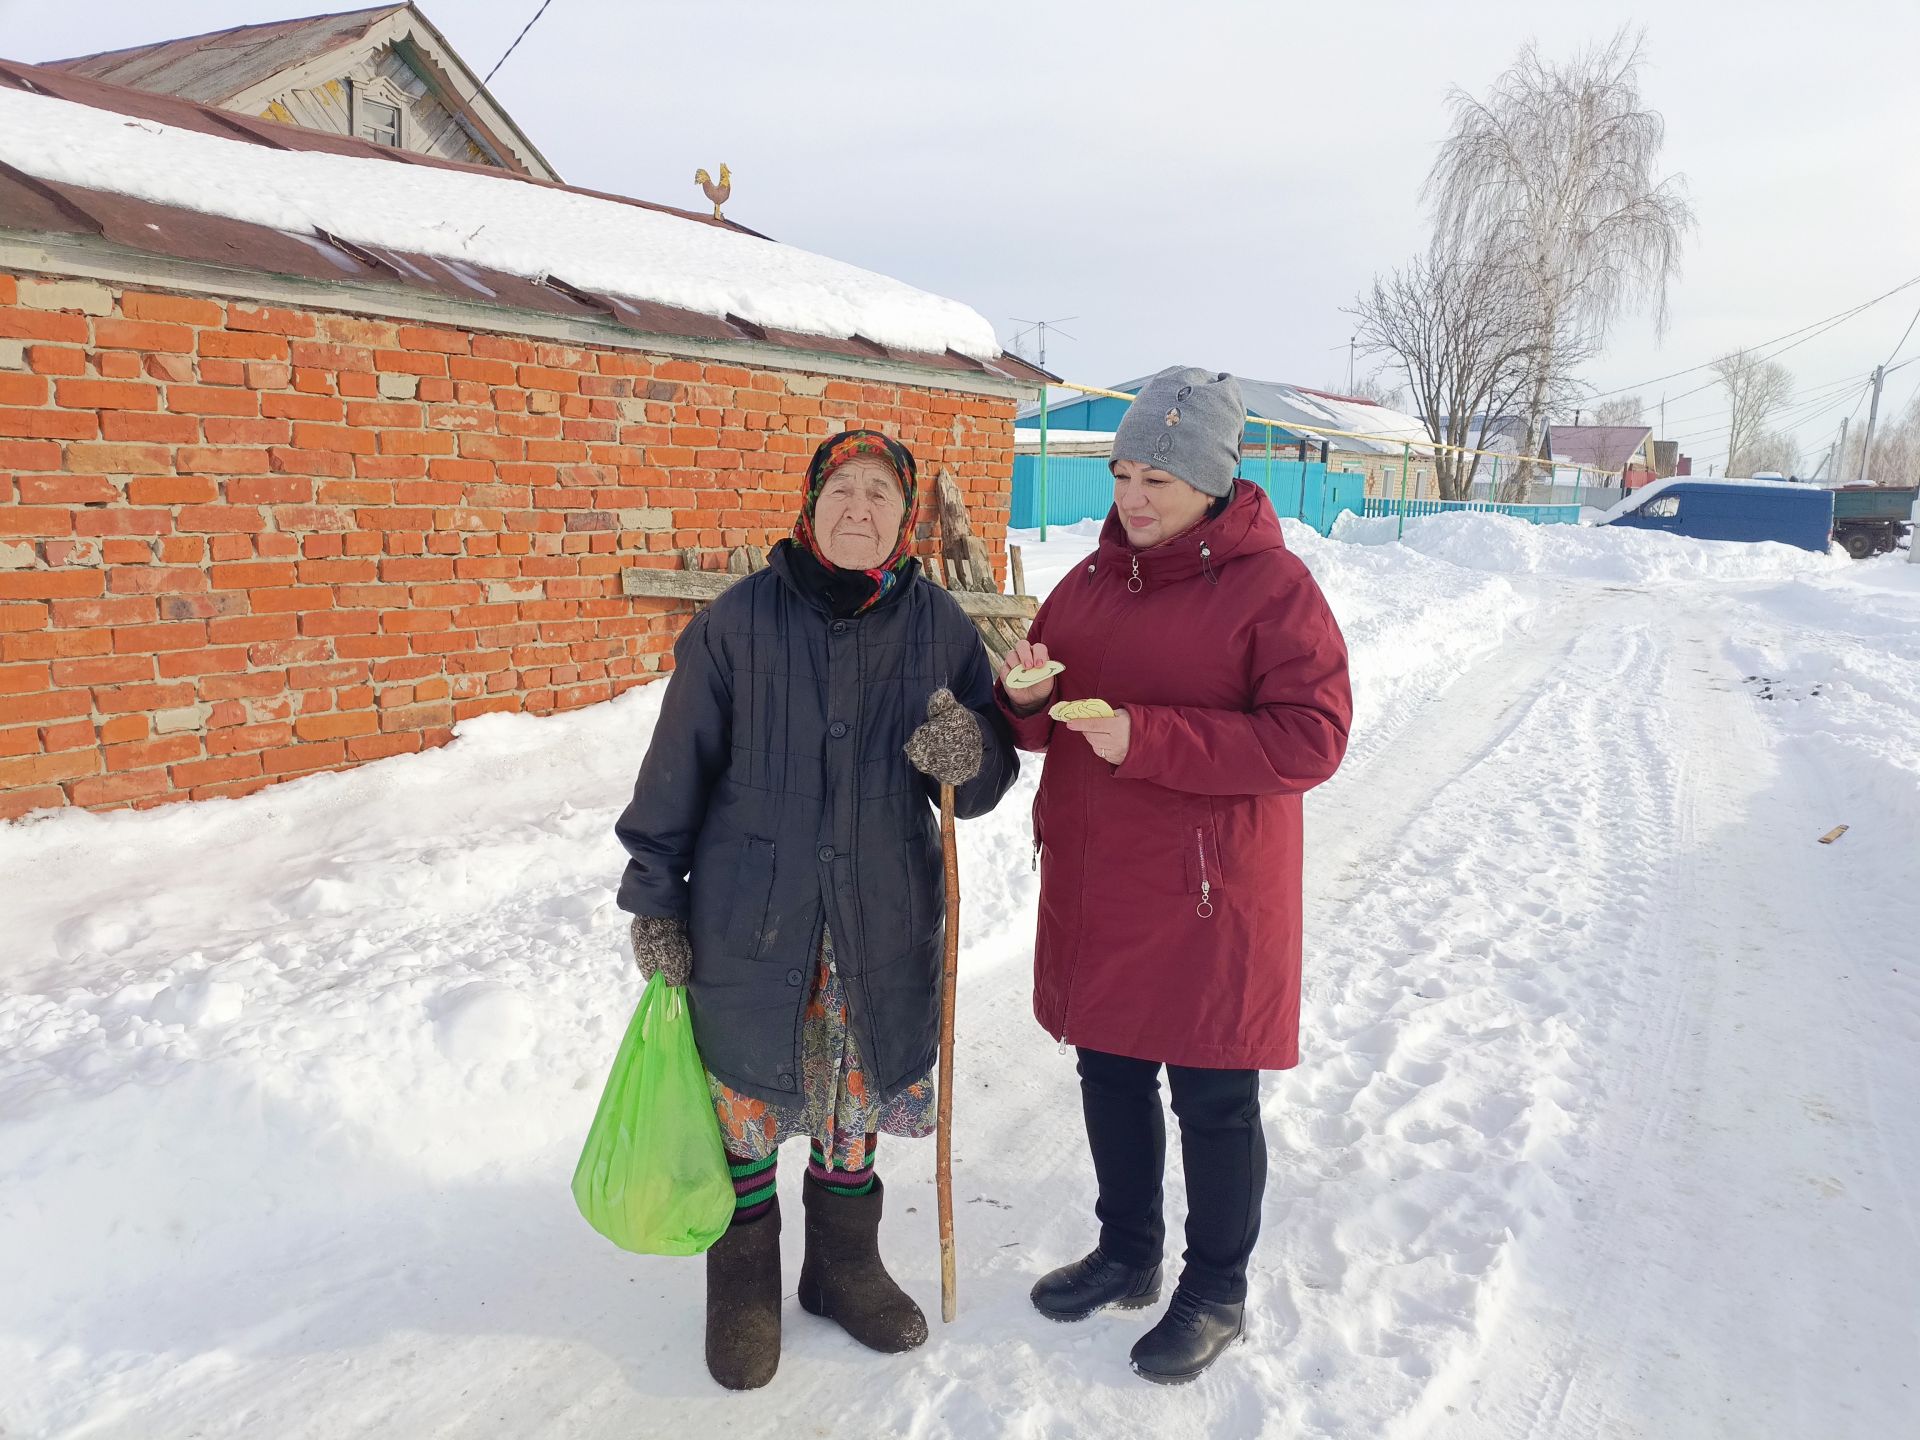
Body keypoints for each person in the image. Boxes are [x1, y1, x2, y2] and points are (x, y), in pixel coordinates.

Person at [613, 429, 1018, 1390]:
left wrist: (971, 752)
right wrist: (653, 901)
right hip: (752, 914)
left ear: (905, 517)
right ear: (809, 502)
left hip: (879, 912)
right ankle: (743, 1283)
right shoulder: (736, 624)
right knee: (747, 1098)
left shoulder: (939, 628)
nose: (860, 511)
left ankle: (842, 1268)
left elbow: (991, 766)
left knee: (854, 1096)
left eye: (881, 494)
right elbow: (674, 773)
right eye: (843, 490)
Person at [996, 368, 1352, 1384]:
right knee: (1107, 1068)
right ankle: (1128, 1251)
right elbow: (1044, 713)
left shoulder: (1273, 590)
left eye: (1156, 476)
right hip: (1102, 880)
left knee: (1211, 1093)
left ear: (1212, 481)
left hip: (1208, 894)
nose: (1133, 497)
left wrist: (1145, 737)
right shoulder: (1096, 578)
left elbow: (1311, 738)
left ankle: (1216, 1288)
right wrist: (1025, 695)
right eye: (1122, 473)